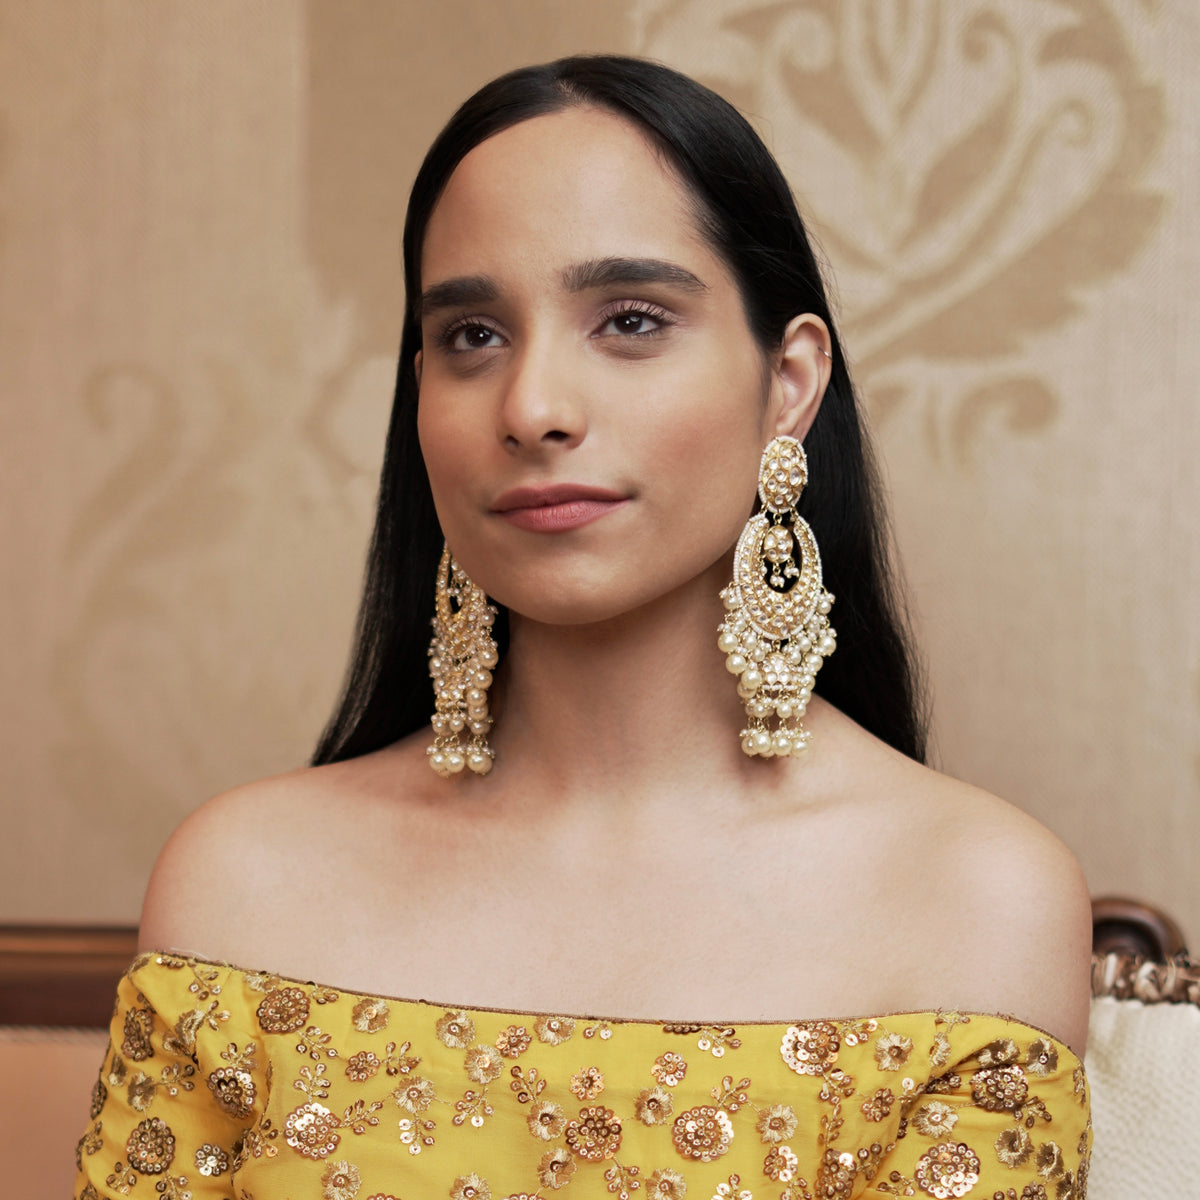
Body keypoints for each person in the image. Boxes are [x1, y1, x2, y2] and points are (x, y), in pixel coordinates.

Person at [76, 56, 1093, 1200]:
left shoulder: (974, 898)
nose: (532, 409)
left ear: (790, 382)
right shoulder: (242, 885)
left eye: (631, 320)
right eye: (472, 336)